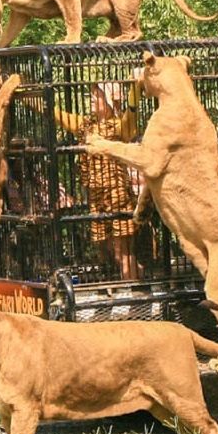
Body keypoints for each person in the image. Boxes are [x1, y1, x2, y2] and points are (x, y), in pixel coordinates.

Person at [25, 75, 145, 281]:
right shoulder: (84, 124)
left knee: (121, 249)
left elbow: (131, 116)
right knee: (103, 245)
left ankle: (133, 287)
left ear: (108, 102)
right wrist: (24, 94)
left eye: (96, 96)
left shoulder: (118, 126)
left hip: (115, 192)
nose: (90, 100)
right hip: (95, 194)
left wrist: (137, 87)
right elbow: (53, 112)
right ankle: (133, 279)